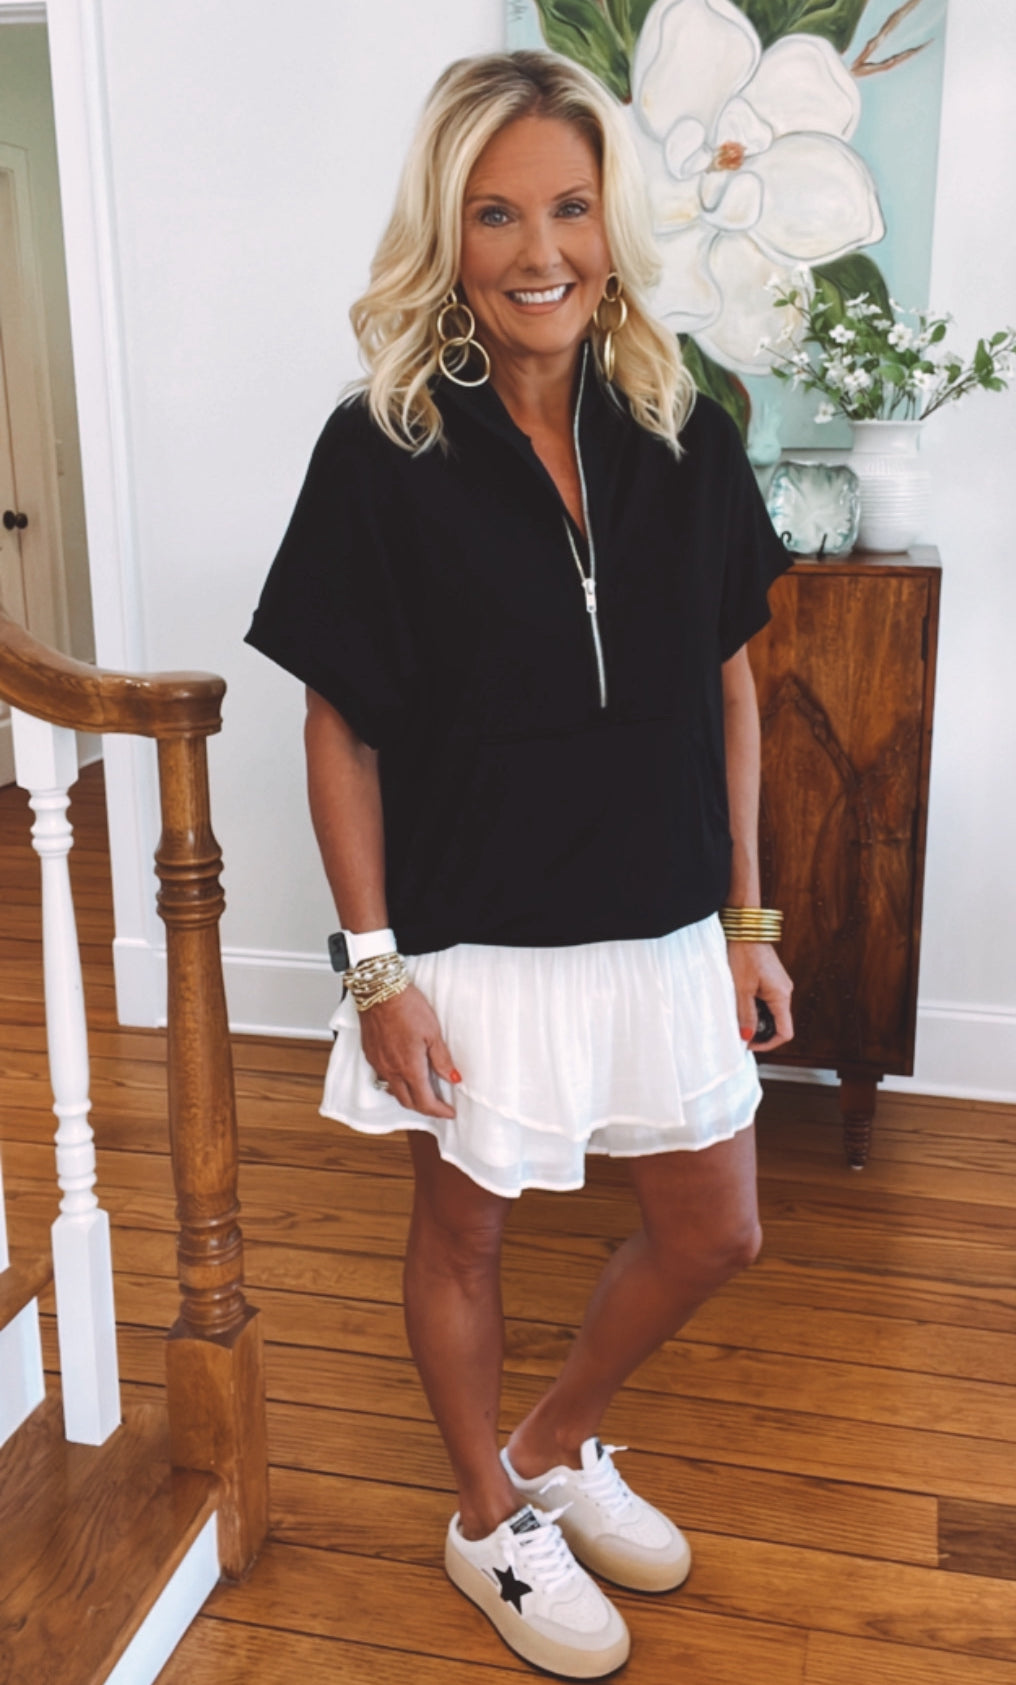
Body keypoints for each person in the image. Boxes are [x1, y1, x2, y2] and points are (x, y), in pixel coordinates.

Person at [246, 48, 795, 1680]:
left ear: (614, 223)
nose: (538, 249)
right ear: (448, 232)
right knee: (462, 1236)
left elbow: (731, 684)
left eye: (568, 206)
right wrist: (374, 972)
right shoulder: (382, 447)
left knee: (716, 1231)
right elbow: (337, 728)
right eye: (494, 213)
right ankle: (486, 1514)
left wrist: (747, 917)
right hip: (474, 932)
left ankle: (553, 1440)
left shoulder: (686, 430)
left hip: (662, 920)